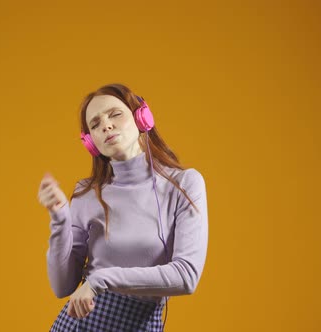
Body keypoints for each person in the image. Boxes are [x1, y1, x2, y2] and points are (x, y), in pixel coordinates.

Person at [37, 83, 208, 331]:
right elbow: (62, 286)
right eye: (94, 125)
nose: (106, 125)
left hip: (140, 323)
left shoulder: (184, 184)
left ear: (142, 118)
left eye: (115, 114)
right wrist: (60, 218)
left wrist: (101, 280)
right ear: (91, 142)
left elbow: (186, 276)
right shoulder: (86, 193)